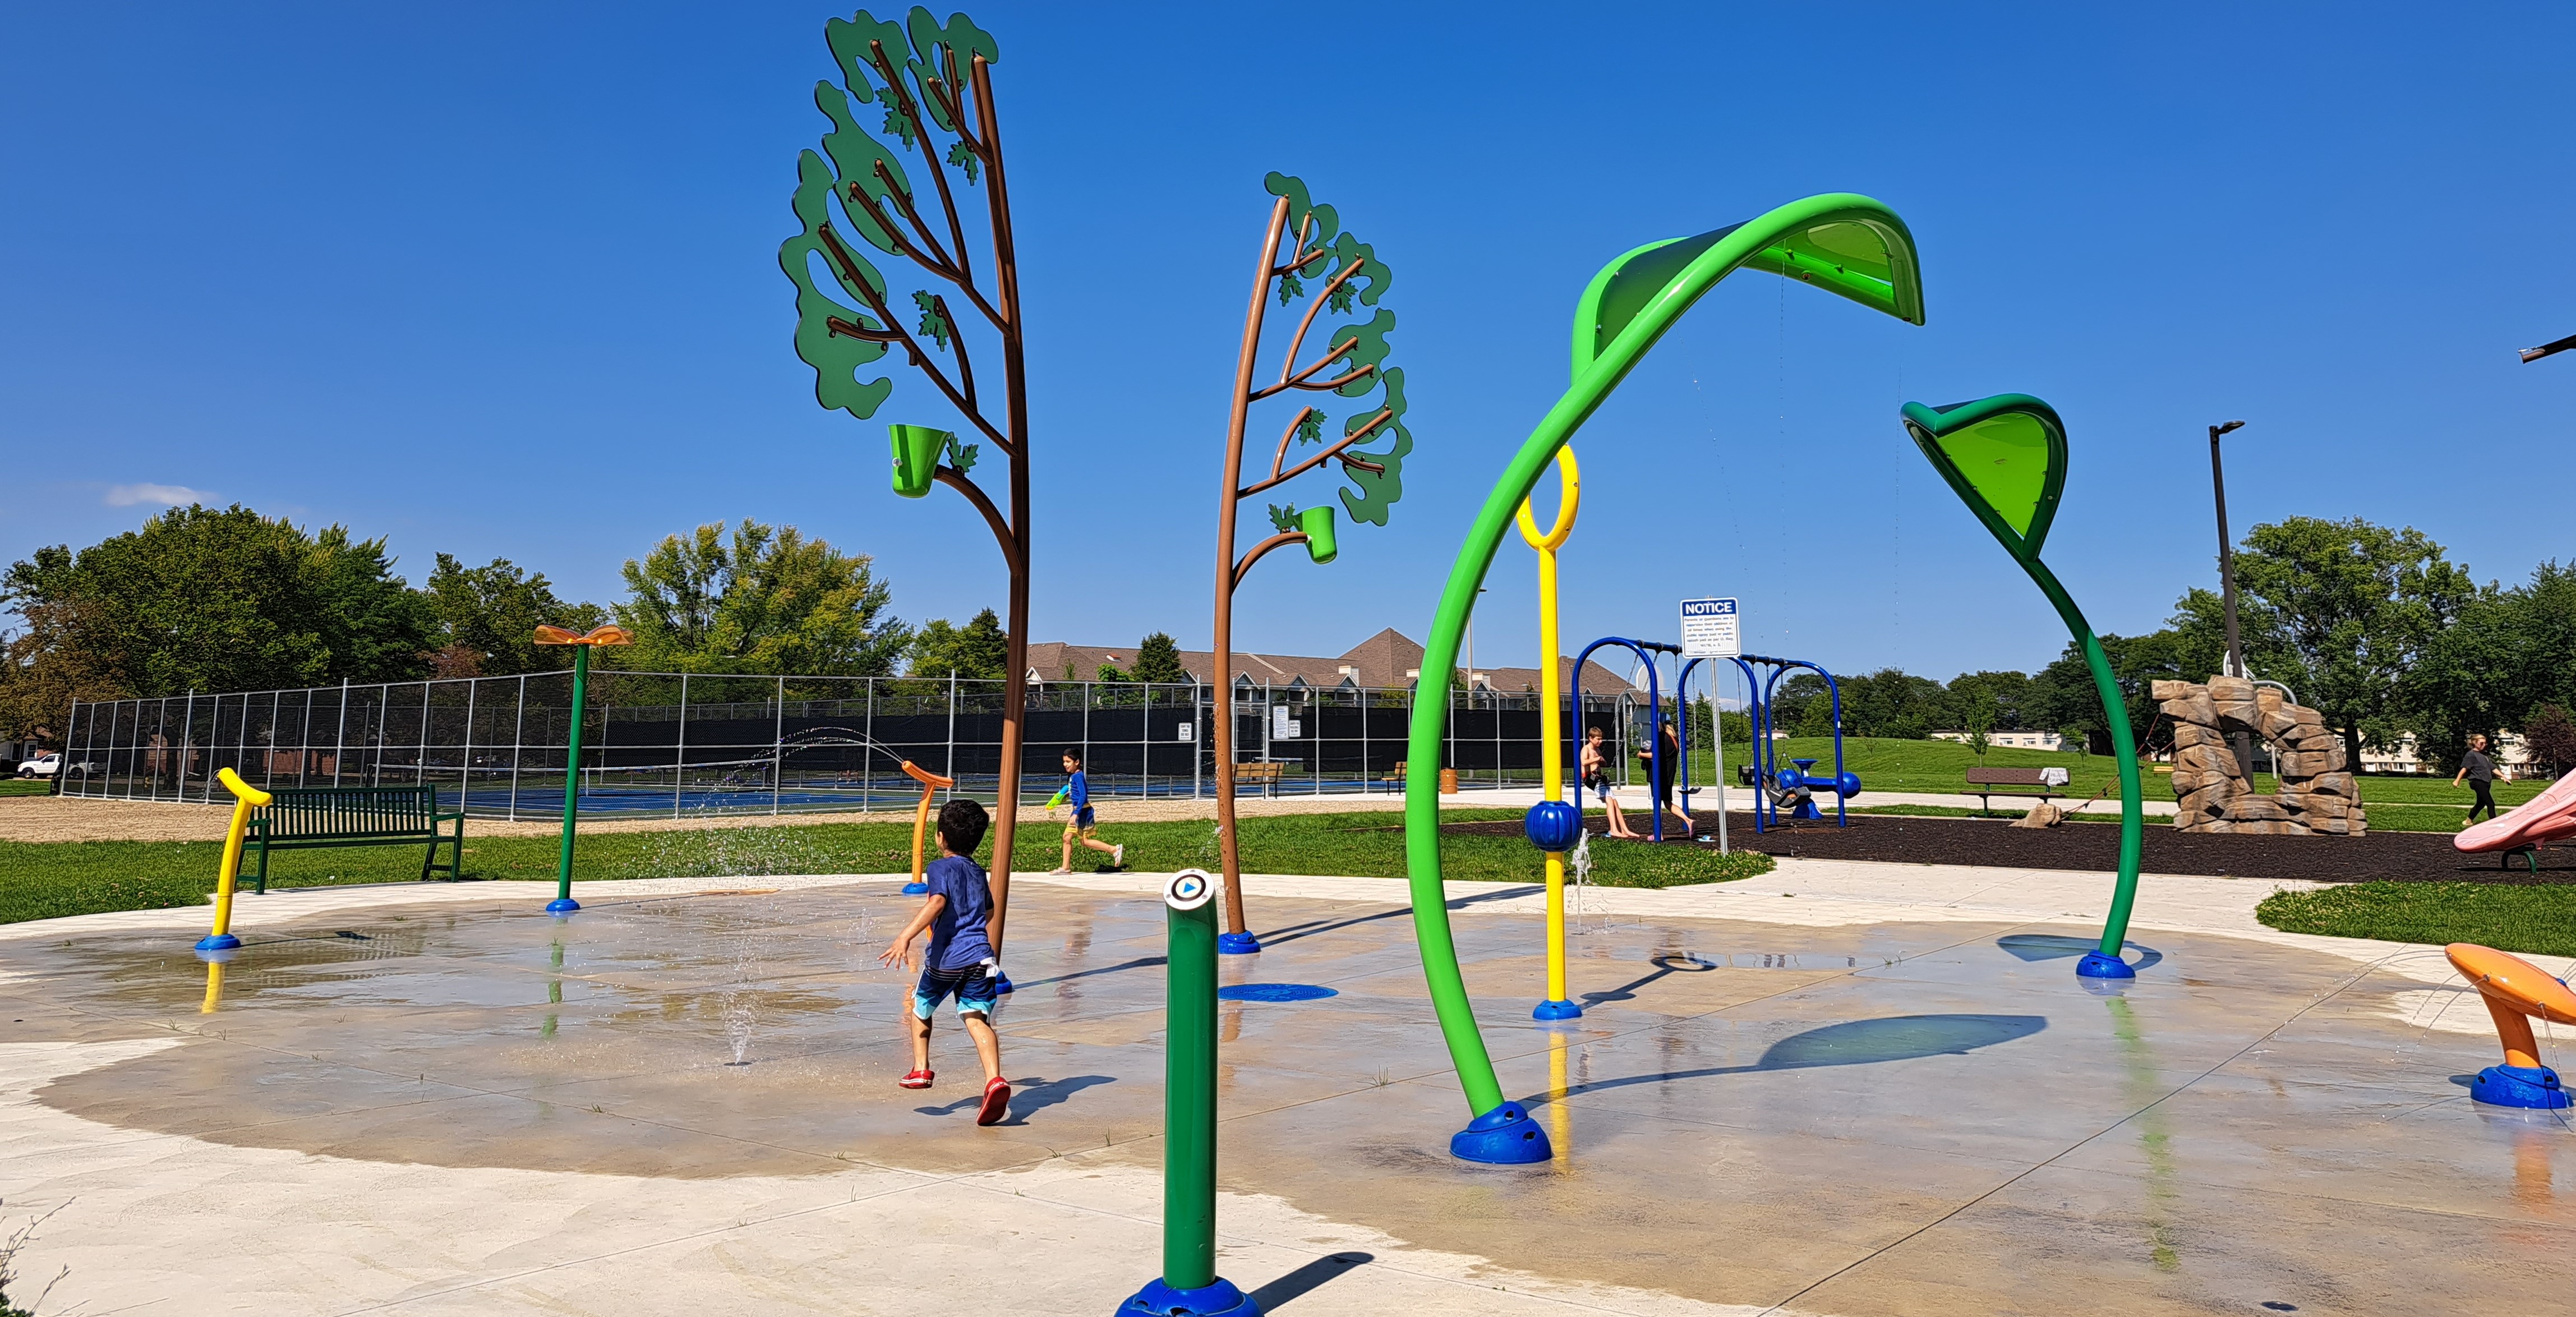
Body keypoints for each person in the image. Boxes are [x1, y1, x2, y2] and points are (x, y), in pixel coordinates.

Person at [879, 797, 1012, 1125]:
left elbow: (938, 901)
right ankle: (995, 1080)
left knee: (921, 1005)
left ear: (940, 837)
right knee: (977, 1018)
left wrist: (905, 936)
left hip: (947, 958)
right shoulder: (978, 872)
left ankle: (921, 1069)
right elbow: (989, 911)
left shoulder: (940, 868)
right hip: (982, 958)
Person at [1049, 748, 1123, 874]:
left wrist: (1076, 814)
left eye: (1068, 762)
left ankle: (1114, 850)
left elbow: (1083, 796)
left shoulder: (1078, 776)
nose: (1065, 764)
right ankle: (1065, 868)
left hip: (1083, 812)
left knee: (1085, 841)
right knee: (1067, 837)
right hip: (1078, 811)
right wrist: (1067, 796)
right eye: (1064, 762)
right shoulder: (1073, 776)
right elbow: (1077, 794)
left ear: (1077, 762)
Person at [1635, 717, 1691, 837]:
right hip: (1669, 775)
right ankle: (1688, 821)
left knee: (1657, 803)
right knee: (1667, 802)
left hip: (1658, 774)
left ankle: (1658, 832)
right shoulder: (1675, 739)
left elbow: (1655, 754)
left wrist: (1641, 755)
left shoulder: (1661, 737)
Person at [1582, 725, 1635, 839]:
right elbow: (1584, 762)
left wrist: (1602, 761)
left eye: (1601, 739)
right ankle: (1613, 830)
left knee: (1615, 803)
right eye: (1598, 739)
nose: (1600, 741)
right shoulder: (1586, 749)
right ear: (1591, 738)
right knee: (1610, 802)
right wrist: (1597, 759)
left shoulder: (1597, 749)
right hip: (1591, 779)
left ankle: (1625, 829)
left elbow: (1602, 763)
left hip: (1599, 778)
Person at [2454, 733, 2505, 824]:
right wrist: (2457, 780)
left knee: (2481, 804)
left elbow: (2493, 768)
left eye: (2485, 743)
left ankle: (2468, 821)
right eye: (2481, 743)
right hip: (2477, 782)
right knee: (2490, 803)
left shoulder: (2484, 757)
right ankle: (2494, 824)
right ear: (2474, 742)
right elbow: (2465, 768)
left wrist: (2503, 777)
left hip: (2486, 783)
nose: (2484, 745)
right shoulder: (2471, 755)